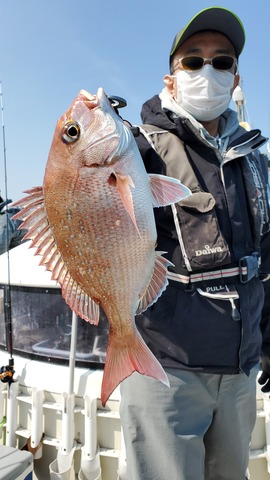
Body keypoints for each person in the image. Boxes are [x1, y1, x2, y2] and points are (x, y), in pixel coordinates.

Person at [119, 6, 270, 480]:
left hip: (241, 368)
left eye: (222, 61)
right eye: (193, 60)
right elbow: (88, 216)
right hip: (166, 364)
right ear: (170, 79)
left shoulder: (256, 162)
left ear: (236, 76)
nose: (209, 70)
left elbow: (265, 260)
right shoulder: (135, 152)